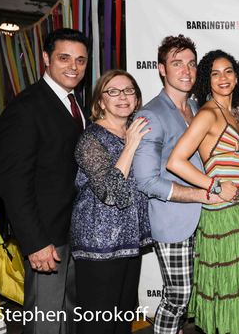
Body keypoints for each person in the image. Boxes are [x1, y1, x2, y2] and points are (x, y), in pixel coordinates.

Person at [133, 35, 238, 334]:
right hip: (172, 221)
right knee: (177, 297)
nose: (186, 70)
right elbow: (147, 181)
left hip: (205, 219)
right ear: (161, 69)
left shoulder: (196, 107)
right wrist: (204, 193)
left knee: (194, 298)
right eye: (177, 63)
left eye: (191, 64)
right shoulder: (151, 114)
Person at [166, 49, 239, 334]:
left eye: (228, 71)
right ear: (207, 81)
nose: (223, 78)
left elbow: (232, 159)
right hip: (221, 216)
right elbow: (176, 162)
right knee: (225, 286)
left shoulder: (233, 112)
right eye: (215, 73)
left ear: (237, 77)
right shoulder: (209, 114)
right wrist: (213, 185)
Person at [0, 28, 88, 334]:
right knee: (47, 322)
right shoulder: (26, 108)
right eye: (64, 58)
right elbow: (12, 181)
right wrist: (35, 243)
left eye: (80, 60)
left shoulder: (76, 104)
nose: (73, 66)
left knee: (69, 316)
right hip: (46, 239)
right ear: (46, 59)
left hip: (73, 232)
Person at [71, 69, 152, 334]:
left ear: (137, 99)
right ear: (100, 102)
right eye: (113, 91)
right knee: (98, 325)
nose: (122, 97)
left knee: (122, 323)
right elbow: (109, 192)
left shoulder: (136, 131)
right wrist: (130, 146)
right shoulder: (91, 139)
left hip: (130, 243)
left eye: (129, 90)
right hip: (99, 247)